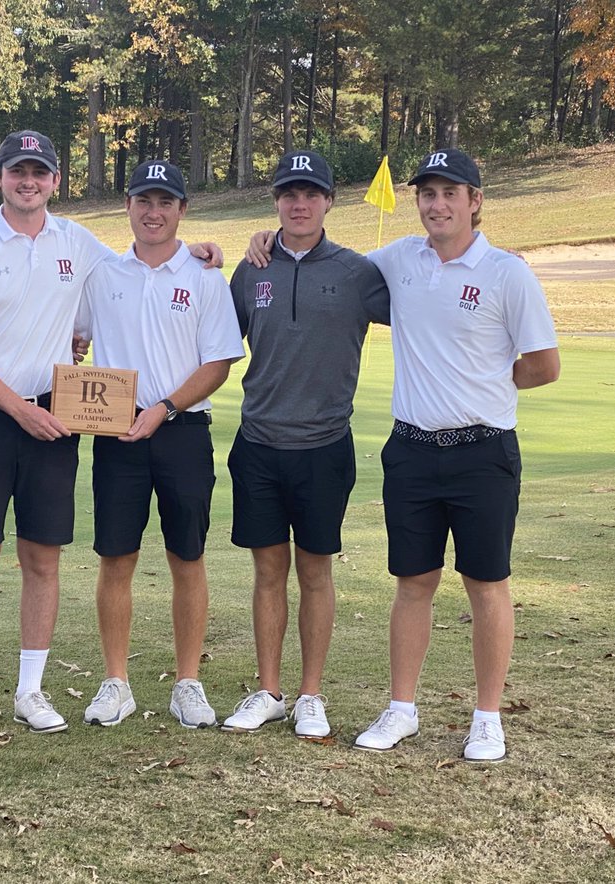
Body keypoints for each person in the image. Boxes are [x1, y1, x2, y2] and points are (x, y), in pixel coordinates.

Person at [0, 131, 223, 739]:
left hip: (71, 422)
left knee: (48, 557)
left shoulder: (81, 245)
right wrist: (21, 407)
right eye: (18, 171)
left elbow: (154, 273)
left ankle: (35, 691)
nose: (28, 180)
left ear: (56, 181)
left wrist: (201, 251)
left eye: (39, 172)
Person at [352, 148, 560, 762]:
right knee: (412, 582)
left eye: (450, 193)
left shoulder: (506, 272)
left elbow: (544, 365)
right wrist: (255, 241)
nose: (436, 204)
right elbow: (327, 269)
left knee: (486, 582)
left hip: (483, 451)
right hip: (412, 449)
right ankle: (401, 709)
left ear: (475, 200)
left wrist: (490, 385)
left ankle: (488, 717)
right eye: (427, 194)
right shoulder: (399, 259)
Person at [219, 151, 389, 737]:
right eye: (289, 193)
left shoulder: (357, 272)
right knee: (268, 572)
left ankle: (310, 694)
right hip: (259, 442)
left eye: (311, 194)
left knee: (315, 571)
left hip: (324, 446)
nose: (299, 203)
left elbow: (432, 298)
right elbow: (212, 335)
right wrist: (201, 254)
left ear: (328, 202)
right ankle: (269, 690)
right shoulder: (252, 268)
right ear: (276, 201)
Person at [76, 161, 244, 729]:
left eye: (165, 202)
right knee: (116, 557)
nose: (154, 212)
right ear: (128, 206)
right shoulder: (102, 273)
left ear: (182, 211)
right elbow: (76, 334)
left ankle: (187, 683)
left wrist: (164, 409)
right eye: (144, 201)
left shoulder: (203, 277)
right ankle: (115, 682)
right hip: (117, 433)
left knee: (187, 557)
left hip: (183, 432)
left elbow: (218, 362)